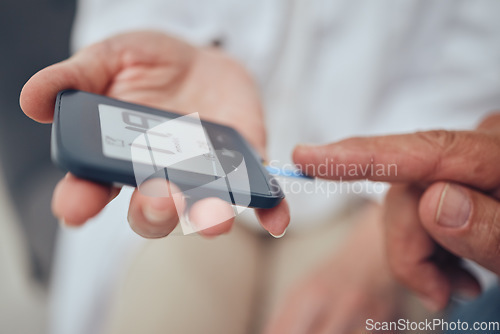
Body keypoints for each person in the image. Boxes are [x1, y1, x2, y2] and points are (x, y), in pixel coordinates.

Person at [20, 1, 500, 333]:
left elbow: (478, 56)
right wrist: (170, 43)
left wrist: (377, 242)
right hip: (201, 157)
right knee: (165, 307)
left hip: (375, 196)